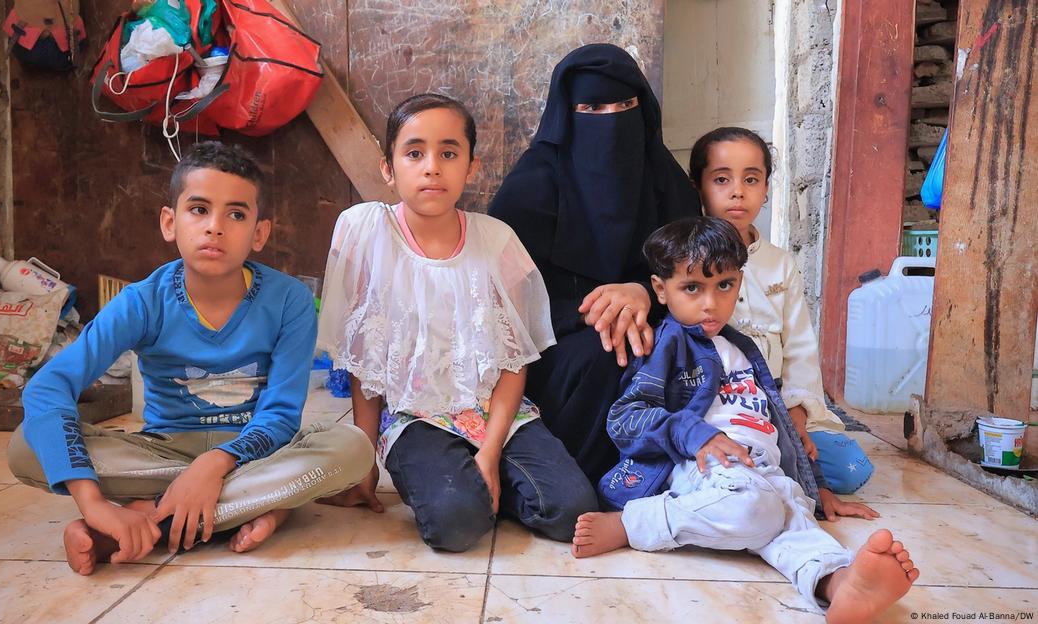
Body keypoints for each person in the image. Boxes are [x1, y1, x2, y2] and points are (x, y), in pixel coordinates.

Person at [8, 141, 374, 575]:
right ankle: (260, 506)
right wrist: (94, 504)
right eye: (199, 209)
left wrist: (213, 466)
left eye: (236, 214)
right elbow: (50, 386)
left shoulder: (289, 300)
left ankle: (155, 517)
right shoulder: (142, 302)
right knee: (26, 446)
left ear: (260, 233)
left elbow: (278, 417)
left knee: (352, 447)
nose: (215, 227)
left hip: (257, 452)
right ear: (170, 222)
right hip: (161, 454)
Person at [571, 217, 918, 623]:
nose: (710, 303)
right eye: (692, 288)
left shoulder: (743, 347)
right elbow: (626, 417)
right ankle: (632, 525)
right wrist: (695, 435)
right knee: (756, 508)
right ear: (661, 289)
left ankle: (840, 585)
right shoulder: (668, 342)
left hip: (764, 467)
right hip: (705, 466)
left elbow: (773, 422)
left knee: (794, 521)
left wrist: (815, 484)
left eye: (724, 285)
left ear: (739, 281)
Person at [317, 93, 598, 553]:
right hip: (416, 417)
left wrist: (490, 453)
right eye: (414, 153)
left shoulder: (496, 240)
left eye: (448, 153)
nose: (432, 167)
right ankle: (462, 487)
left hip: (497, 415)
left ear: (471, 167)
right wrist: (363, 458)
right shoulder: (367, 231)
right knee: (457, 527)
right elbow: (364, 358)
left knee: (571, 510)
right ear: (388, 168)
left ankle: (481, 478)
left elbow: (513, 360)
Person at [489, 43, 701, 482]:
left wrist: (644, 289)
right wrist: (600, 311)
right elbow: (502, 294)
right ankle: (589, 484)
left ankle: (677, 474)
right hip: (558, 335)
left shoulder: (664, 179)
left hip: (656, 313)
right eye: (592, 107)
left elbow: (692, 265)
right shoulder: (532, 187)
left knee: (680, 352)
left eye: (625, 105)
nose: (610, 120)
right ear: (567, 115)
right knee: (606, 356)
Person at [690, 126, 876, 515]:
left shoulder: (780, 264)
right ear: (698, 186)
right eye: (721, 179)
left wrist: (796, 418)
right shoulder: (686, 259)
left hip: (777, 404)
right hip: (716, 404)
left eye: (751, 179)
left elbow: (801, 349)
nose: (737, 191)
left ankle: (773, 462)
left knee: (850, 467)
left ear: (767, 188)